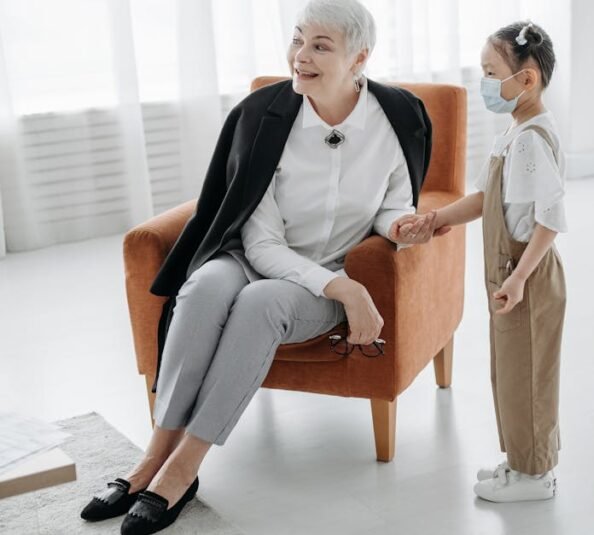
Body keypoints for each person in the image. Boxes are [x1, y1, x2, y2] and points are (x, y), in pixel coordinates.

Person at [79, 1, 436, 533]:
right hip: (259, 258)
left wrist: (399, 227)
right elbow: (261, 241)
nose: (301, 56)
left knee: (260, 304)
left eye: (320, 46)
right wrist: (342, 288)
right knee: (201, 288)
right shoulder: (263, 116)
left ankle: (184, 467)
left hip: (319, 279)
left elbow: (394, 204)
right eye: (298, 40)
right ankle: (153, 455)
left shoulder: (399, 118)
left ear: (360, 57)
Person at [397, 20, 567, 503]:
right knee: (511, 373)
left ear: (527, 79)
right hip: (510, 274)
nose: (485, 84)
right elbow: (485, 198)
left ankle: (536, 476)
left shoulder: (533, 141)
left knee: (531, 375)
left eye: (492, 73)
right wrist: (434, 220)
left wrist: (517, 279)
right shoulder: (515, 132)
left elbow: (550, 221)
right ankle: (520, 461)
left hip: (525, 276)